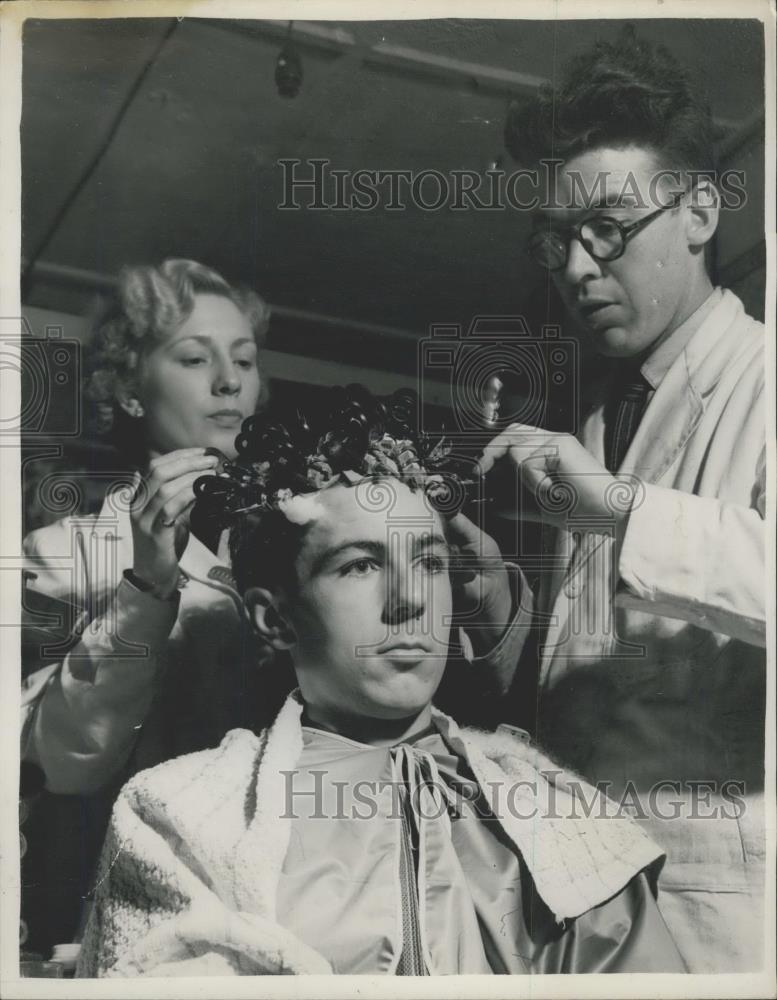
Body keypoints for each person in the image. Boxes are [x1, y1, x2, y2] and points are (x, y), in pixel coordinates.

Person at [76, 388, 685, 977]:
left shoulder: (562, 818)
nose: (410, 601)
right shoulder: (179, 816)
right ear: (273, 617)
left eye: (429, 561)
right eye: (361, 565)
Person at [483, 29, 766, 972]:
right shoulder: (605, 418)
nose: (574, 268)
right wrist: (501, 609)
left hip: (717, 912)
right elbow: (603, 682)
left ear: (698, 210)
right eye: (556, 240)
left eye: (607, 227)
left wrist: (620, 513)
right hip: (591, 900)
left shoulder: (764, 380)